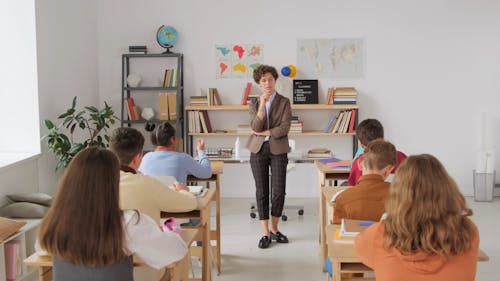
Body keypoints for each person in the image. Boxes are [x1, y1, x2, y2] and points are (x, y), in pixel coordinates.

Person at [37, 147, 188, 280]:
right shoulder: (128, 223)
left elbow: (41, 249)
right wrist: (170, 231)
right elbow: (175, 253)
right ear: (112, 183)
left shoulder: (55, 224)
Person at [355, 154, 479, 281]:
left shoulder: (379, 233)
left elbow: (361, 251)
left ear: (398, 195)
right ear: (447, 189)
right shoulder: (468, 231)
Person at [246, 64, 292, 249]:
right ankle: (265, 232)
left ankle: (275, 229)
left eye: (270, 79)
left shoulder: (284, 102)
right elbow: (255, 127)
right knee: (262, 191)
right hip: (257, 150)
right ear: (258, 82)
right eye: (263, 80)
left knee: (279, 191)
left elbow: (284, 128)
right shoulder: (254, 103)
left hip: (278, 149)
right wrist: (262, 105)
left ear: (275, 81)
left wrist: (266, 132)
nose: (267, 83)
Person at [110, 127, 197, 223]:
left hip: (110, 238)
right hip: (144, 237)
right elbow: (190, 203)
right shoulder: (148, 184)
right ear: (138, 157)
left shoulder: (98, 183)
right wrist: (183, 191)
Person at [333, 139, 396, 224]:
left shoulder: (342, 199)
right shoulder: (400, 197)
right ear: (389, 169)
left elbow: (336, 232)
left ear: (360, 164)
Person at [139, 122, 211, 184]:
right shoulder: (182, 158)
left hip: (150, 199)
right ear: (172, 139)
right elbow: (206, 173)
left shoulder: (145, 158)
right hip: (176, 199)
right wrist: (200, 150)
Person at [347, 118, 406, 185]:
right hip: (397, 194)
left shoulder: (359, 162)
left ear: (361, 145)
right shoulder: (401, 157)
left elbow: (352, 186)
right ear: (383, 138)